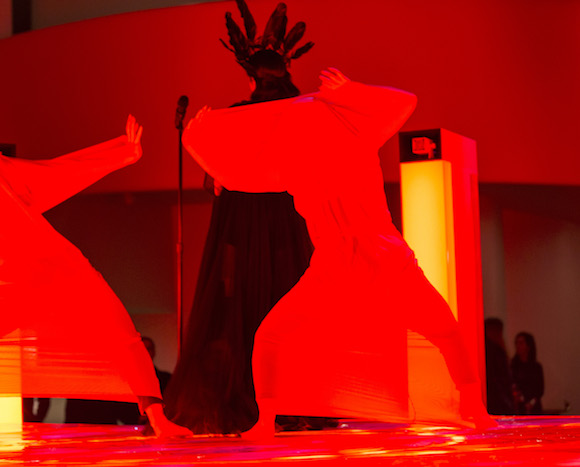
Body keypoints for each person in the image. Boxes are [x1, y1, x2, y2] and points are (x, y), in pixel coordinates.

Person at [182, 66, 496, 437]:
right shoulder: (300, 164)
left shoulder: (350, 142)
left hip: (377, 259)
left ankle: (474, 406)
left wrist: (352, 90)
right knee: (270, 336)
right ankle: (265, 419)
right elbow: (235, 179)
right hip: (345, 264)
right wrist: (194, 139)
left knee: (445, 330)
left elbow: (406, 102)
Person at [0, 116, 191, 444]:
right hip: (13, 290)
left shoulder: (4, 176)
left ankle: (159, 419)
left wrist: (124, 153)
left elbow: (63, 171)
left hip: (63, 273)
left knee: (123, 335)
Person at [162, 0, 314, 435]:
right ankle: (294, 404)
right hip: (288, 226)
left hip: (242, 229)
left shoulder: (234, 117)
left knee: (240, 312)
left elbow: (215, 182)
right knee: (287, 308)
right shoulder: (299, 116)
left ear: (250, 79)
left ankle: (246, 402)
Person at [484, 317, 515, 415]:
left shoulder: (484, 349)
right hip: (498, 400)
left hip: (490, 398)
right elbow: (501, 378)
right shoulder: (496, 350)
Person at [511, 332, 544, 415]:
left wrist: (531, 403)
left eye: (521, 343)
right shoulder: (513, 366)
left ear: (528, 346)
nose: (518, 346)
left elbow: (540, 390)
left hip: (534, 409)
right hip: (518, 408)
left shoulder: (536, 367)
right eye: (516, 343)